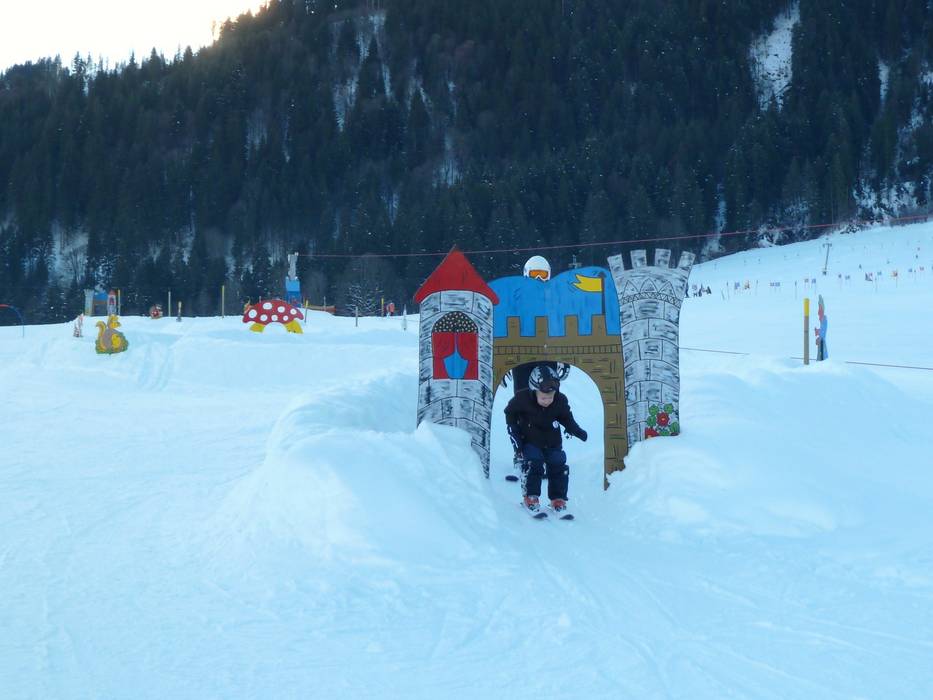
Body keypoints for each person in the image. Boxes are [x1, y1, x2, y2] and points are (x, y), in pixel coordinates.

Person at [505, 365, 587, 515]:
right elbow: (509, 413)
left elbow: (566, 418)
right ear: (534, 391)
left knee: (558, 464)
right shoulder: (522, 399)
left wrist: (576, 430)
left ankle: (558, 499)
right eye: (543, 398)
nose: (547, 401)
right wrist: (515, 437)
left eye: (550, 397)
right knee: (534, 464)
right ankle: (531, 497)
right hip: (530, 441)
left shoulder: (560, 401)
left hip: (553, 441)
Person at [506, 362, 571, 475]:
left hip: (548, 356)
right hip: (520, 360)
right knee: (523, 404)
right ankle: (525, 454)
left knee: (547, 400)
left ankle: (548, 454)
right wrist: (503, 363)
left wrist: (564, 360)